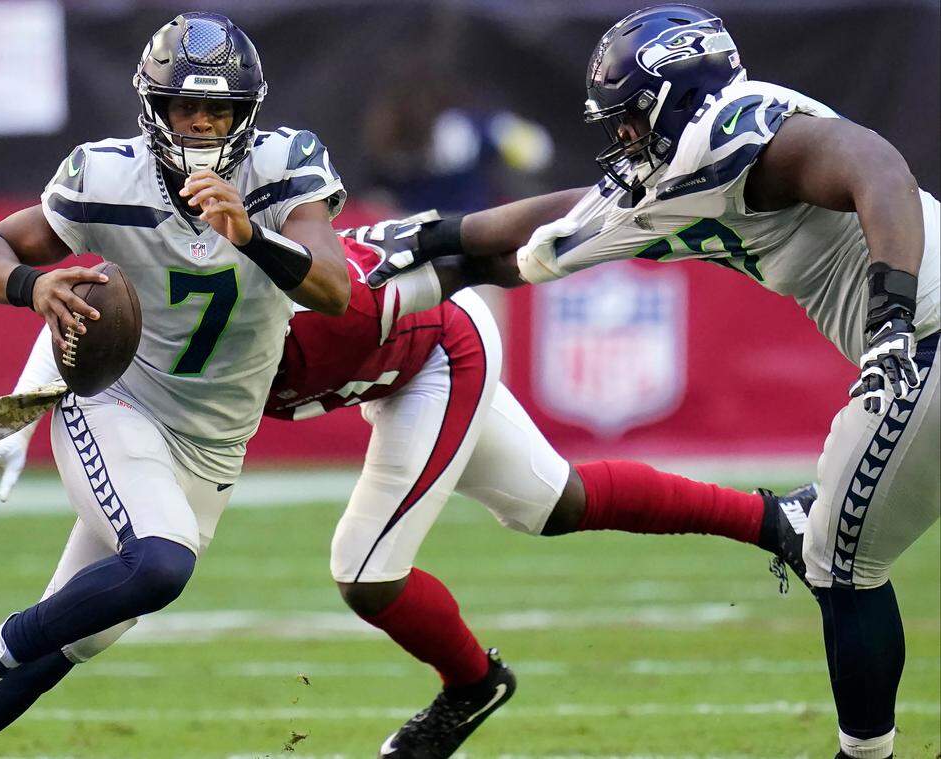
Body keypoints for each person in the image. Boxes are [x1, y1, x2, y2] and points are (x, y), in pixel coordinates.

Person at [0, 217, 814, 758]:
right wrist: (13, 414)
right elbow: (97, 317)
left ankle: (470, 685)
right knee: (555, 501)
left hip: (437, 354)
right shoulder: (189, 306)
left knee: (365, 567)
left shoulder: (338, 302)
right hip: (382, 370)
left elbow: (453, 263)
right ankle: (776, 521)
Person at [371, 7, 940, 759]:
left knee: (842, 562)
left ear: (679, 97)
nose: (624, 137)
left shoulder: (736, 130)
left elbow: (879, 166)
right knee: (836, 547)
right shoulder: (677, 174)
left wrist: (891, 317)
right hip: (922, 339)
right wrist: (431, 236)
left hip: (926, 335)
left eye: (632, 118)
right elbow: (553, 225)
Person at [0, 12, 350, 757]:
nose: (201, 124)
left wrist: (253, 233)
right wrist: (32, 285)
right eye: (185, 107)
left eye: (218, 108)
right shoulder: (106, 175)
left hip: (213, 448)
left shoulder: (283, 167)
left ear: (247, 113)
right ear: (153, 107)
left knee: (69, 639)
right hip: (120, 404)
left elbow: (333, 289)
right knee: (161, 562)